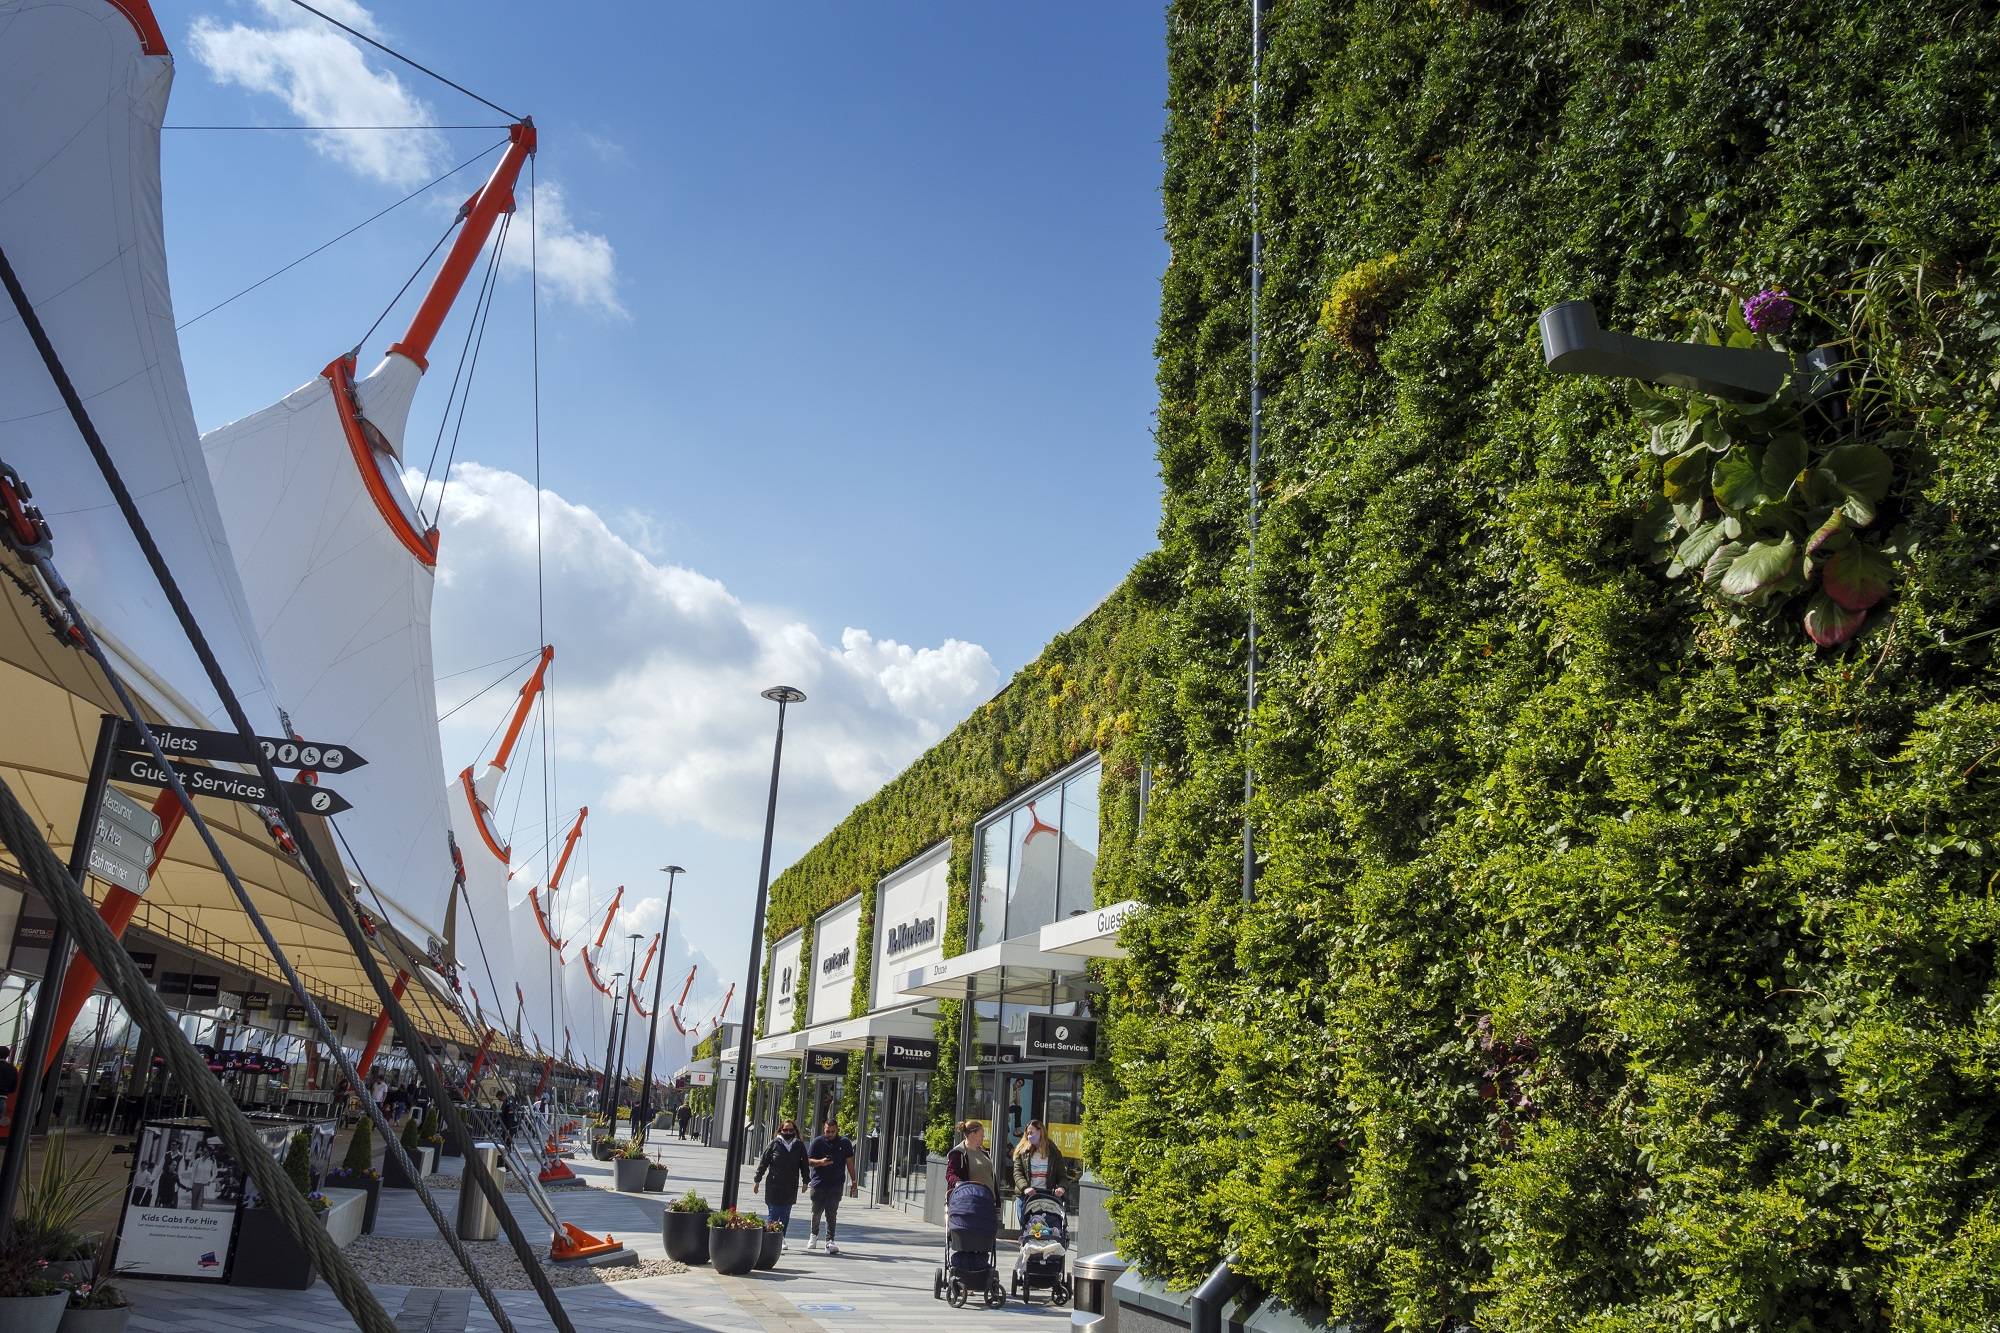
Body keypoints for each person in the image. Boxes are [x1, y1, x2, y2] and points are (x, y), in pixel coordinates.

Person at [804, 1116, 858, 1254]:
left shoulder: (844, 1143)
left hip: (836, 1183)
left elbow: (850, 1162)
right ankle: (814, 1235)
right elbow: (808, 1161)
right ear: (824, 1129)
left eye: (833, 1132)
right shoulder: (817, 1142)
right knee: (816, 1212)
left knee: (831, 1213)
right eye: (828, 1131)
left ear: (837, 1130)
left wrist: (854, 1181)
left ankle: (830, 1240)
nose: (830, 1134)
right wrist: (821, 1162)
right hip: (818, 1183)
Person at [752, 1118, 809, 1250]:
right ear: (780, 1130)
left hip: (790, 1186)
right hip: (774, 1185)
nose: (788, 1132)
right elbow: (763, 1163)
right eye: (785, 1130)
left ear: (795, 1131)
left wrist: (806, 1181)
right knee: (774, 1212)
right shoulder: (774, 1144)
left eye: (791, 1130)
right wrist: (757, 1180)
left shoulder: (799, 1145)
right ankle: (770, 1238)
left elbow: (804, 1164)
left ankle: (781, 1237)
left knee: (785, 1213)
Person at [1009, 1119, 1068, 1225]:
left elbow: (1062, 1176)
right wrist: (1025, 1188)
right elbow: (1017, 1173)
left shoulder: (1054, 1153)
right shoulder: (1022, 1152)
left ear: (1040, 1131)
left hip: (1047, 1197)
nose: (1029, 1136)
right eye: (1028, 1134)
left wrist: (1061, 1187)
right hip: (1026, 1197)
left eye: (1032, 1133)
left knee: (1047, 1228)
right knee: (1027, 1229)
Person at [945, 1119, 994, 1191]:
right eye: (981, 1134)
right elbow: (950, 1174)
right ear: (972, 1135)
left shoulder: (984, 1152)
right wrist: (959, 1184)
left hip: (988, 1199)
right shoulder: (958, 1153)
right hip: (970, 1198)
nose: (983, 1137)